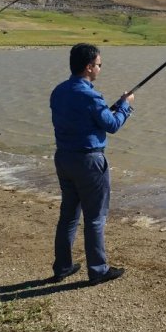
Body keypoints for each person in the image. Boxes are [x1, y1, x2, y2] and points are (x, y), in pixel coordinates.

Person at [49, 43, 134, 285]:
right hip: (89, 161)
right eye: (99, 65)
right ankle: (98, 270)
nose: (99, 69)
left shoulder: (59, 91)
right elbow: (113, 125)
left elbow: (87, 119)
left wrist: (115, 107)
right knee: (95, 218)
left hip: (64, 158)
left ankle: (63, 267)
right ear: (88, 67)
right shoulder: (90, 95)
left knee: (68, 216)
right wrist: (126, 105)